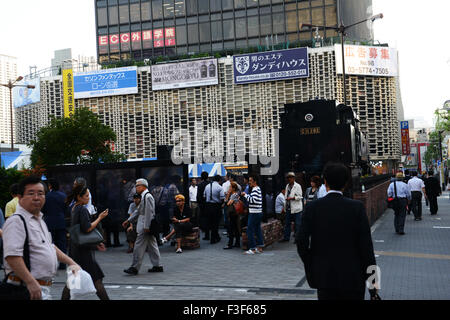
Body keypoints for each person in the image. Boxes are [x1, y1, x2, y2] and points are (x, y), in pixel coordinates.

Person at [296, 162, 379, 300]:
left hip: (325, 278)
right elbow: (367, 249)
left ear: (325, 181)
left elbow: (301, 242)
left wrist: (312, 264)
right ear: (346, 183)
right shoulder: (356, 208)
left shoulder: (312, 208)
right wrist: (373, 284)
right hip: (353, 278)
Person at [1, 175, 81, 300]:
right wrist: (30, 282)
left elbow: (50, 246)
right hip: (23, 289)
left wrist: (71, 262)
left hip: (39, 289)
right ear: (20, 197)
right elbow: (12, 256)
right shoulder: (16, 221)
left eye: (41, 193)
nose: (37, 197)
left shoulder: (39, 220)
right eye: (31, 193)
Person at [61, 185, 110, 300]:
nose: (88, 198)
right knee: (96, 279)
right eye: (86, 196)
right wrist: (100, 217)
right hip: (83, 252)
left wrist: (95, 243)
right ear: (79, 197)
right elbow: (87, 228)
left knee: (73, 280)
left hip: (76, 248)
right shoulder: (82, 209)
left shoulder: (74, 208)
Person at [123, 178, 163, 275]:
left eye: (137, 186)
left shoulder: (147, 196)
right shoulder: (145, 196)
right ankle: (157, 265)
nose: (136, 188)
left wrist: (146, 226)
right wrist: (129, 220)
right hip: (145, 225)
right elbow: (139, 211)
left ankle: (134, 267)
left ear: (142, 186)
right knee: (152, 246)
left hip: (145, 225)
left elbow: (149, 212)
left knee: (138, 247)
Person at [41, 178, 68, 270]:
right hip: (61, 221)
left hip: (49, 222)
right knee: (62, 243)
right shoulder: (63, 195)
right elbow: (66, 209)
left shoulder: (46, 196)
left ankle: (51, 263)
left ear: (50, 186)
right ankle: (63, 264)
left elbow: (43, 210)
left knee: (50, 243)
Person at [241, 174, 264, 255]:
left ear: (255, 181)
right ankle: (260, 247)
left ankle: (253, 248)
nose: (249, 182)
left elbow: (252, 200)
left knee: (249, 230)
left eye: (251, 181)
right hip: (258, 212)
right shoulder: (258, 189)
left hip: (254, 212)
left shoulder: (255, 189)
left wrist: (245, 195)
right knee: (257, 229)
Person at [281, 172, 303, 243]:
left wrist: (292, 198)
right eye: (288, 178)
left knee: (297, 224)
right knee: (287, 223)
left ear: (293, 178)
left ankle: (298, 238)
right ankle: (286, 237)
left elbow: (300, 197)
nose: (289, 179)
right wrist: (284, 206)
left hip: (296, 208)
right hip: (288, 208)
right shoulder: (287, 186)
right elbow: (286, 196)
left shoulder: (298, 186)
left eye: (290, 178)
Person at [204, 175, 225, 244]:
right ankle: (213, 238)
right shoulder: (220, 187)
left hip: (208, 206)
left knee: (210, 222)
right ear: (219, 180)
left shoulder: (207, 186)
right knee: (215, 222)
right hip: (216, 206)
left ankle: (215, 236)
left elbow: (204, 196)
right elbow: (222, 198)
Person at [223, 182, 242, 249]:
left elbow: (228, 203)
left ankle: (230, 244)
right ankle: (237, 243)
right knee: (236, 228)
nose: (229, 188)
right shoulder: (236, 194)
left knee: (231, 229)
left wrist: (228, 195)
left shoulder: (233, 195)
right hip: (235, 213)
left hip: (232, 213)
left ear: (233, 188)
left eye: (230, 187)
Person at [196, 171, 210, 240]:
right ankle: (210, 233)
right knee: (210, 219)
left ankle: (206, 232)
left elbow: (198, 196)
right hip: (210, 204)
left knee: (204, 218)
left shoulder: (200, 185)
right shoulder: (210, 184)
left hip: (202, 204)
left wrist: (199, 203)